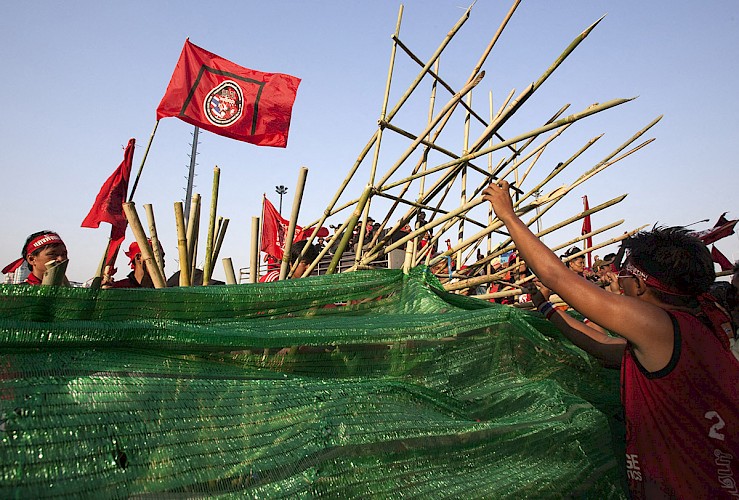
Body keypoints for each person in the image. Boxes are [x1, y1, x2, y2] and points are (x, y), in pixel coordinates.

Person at [483, 180, 738, 498]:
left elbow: (558, 277)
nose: (619, 281)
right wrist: (545, 306)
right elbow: (601, 345)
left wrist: (508, 216)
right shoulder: (687, 330)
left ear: (642, 286)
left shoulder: (660, 324)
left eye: (626, 276)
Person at [3, 230, 69, 285]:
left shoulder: (69, 292)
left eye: (64, 254)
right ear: (31, 259)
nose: (61, 259)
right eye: (52, 254)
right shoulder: (18, 294)